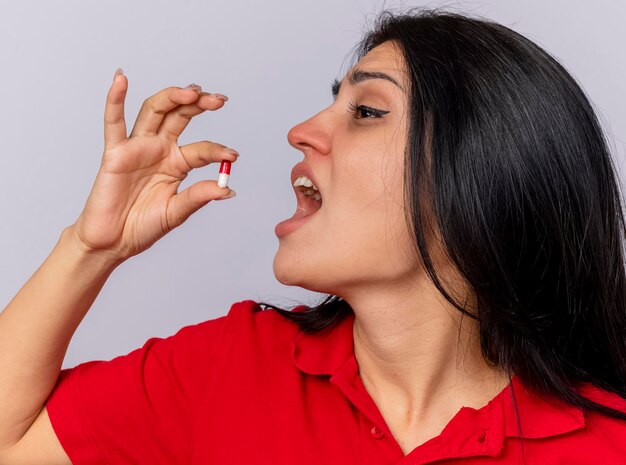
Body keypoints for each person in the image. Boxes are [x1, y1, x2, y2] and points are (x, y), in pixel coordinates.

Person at [1, 8, 625, 464]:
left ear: (482, 173)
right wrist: (91, 247)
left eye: (367, 112)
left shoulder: (606, 444)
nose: (300, 130)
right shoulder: (228, 369)